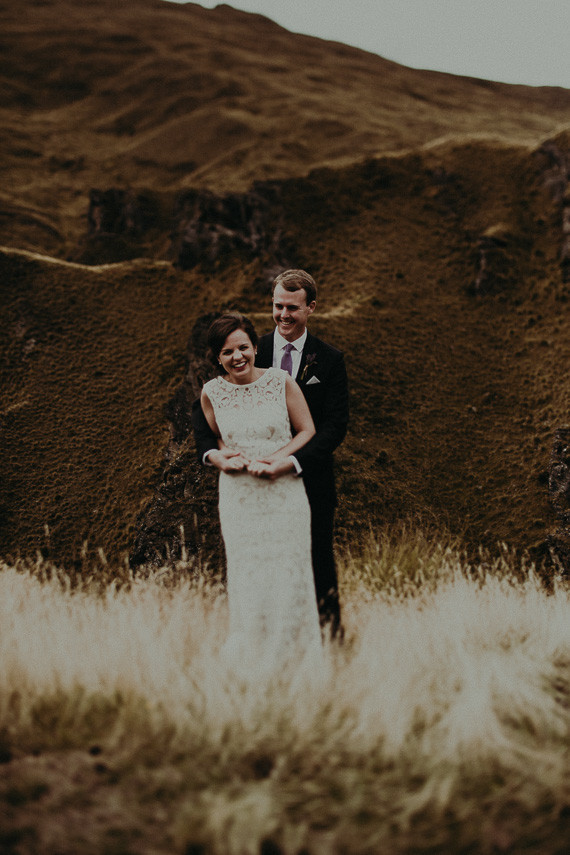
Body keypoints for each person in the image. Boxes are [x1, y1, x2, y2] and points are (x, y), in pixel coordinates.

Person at [194, 269, 349, 637]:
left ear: (311, 308)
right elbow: (206, 416)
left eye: (292, 308)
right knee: (258, 567)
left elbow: (332, 428)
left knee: (317, 563)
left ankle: (329, 642)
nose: (283, 315)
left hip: (308, 475)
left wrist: (290, 461)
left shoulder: (328, 360)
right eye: (277, 306)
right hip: (247, 483)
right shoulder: (246, 347)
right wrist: (215, 455)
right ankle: (264, 638)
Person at [200, 312, 322, 672]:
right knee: (248, 576)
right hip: (240, 497)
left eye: (243, 348)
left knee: (289, 572)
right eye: (227, 352)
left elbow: (306, 431)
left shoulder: (280, 381)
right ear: (217, 357)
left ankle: (297, 663)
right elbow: (215, 435)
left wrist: (274, 460)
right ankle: (254, 663)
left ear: (255, 347)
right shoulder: (211, 392)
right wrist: (225, 457)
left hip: (283, 492)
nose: (237, 357)